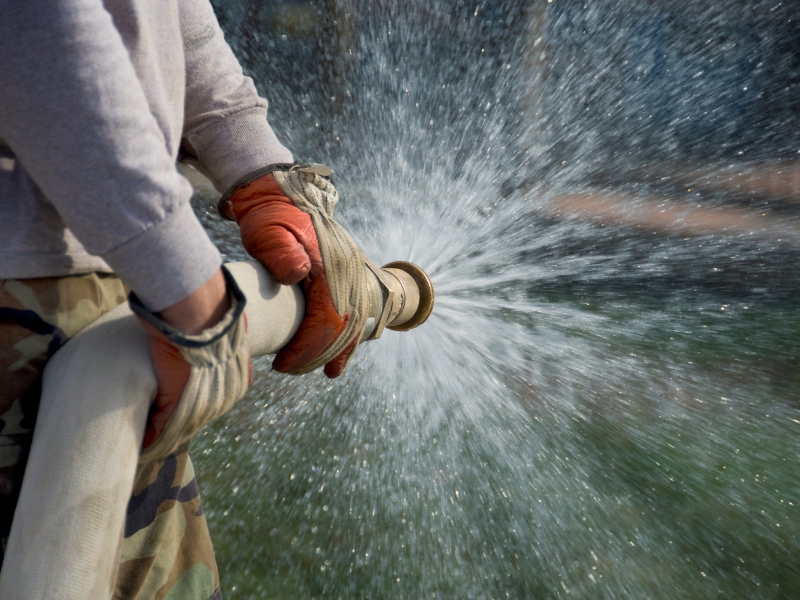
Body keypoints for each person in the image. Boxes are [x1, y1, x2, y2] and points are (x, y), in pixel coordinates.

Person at [0, 0, 371, 597]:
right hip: (31, 295)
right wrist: (186, 286)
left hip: (84, 280)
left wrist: (258, 174)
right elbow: (37, 22)